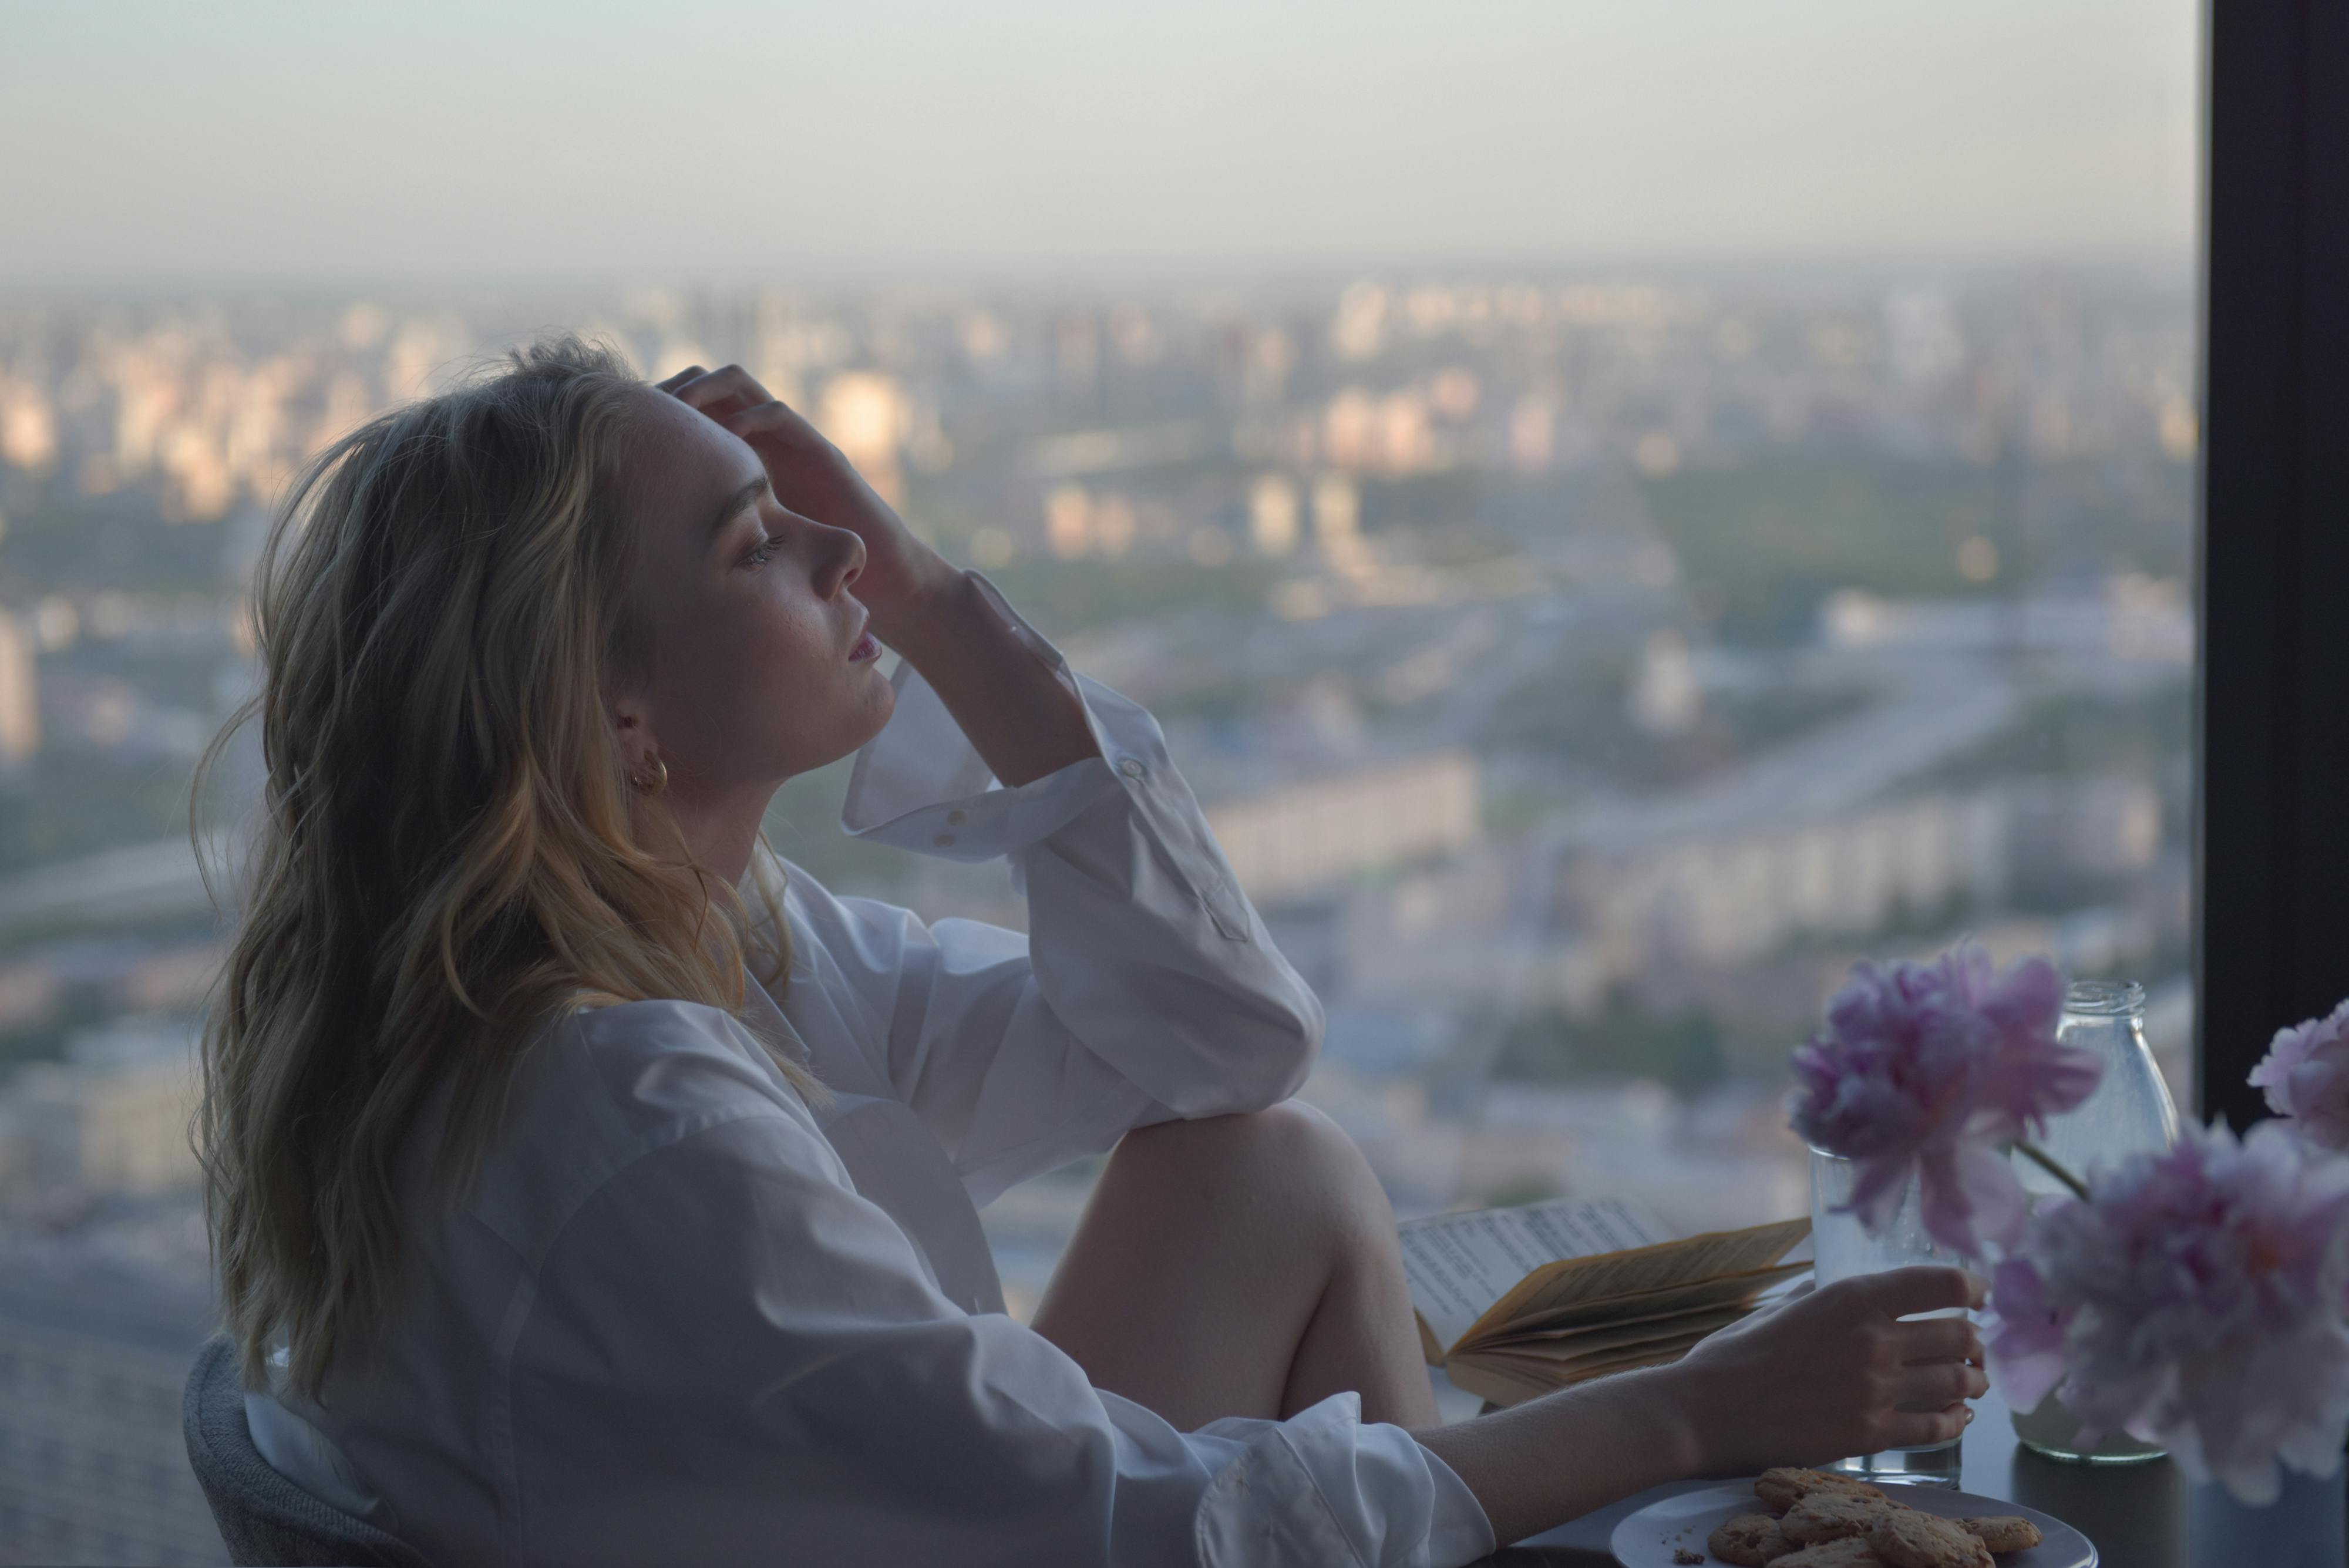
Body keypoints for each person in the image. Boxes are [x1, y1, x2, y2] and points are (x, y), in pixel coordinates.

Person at [196, 337, 1988, 1567]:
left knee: (1269, 1174)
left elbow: (1220, 1055)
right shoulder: (620, 1103)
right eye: (764, 541)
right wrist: (1702, 1413)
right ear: (618, 709)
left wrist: (954, 613)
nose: (848, 553)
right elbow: (1143, 1529)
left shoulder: (701, 956)